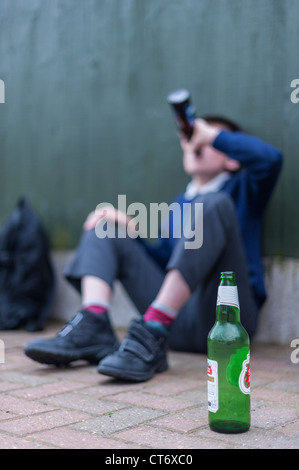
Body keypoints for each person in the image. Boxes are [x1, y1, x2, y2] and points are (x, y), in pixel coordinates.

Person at [24, 117, 283, 382]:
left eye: (208, 140)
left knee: (214, 203)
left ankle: (151, 327)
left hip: (228, 321)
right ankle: (94, 324)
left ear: (232, 159)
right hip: (173, 328)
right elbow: (165, 263)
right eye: (194, 139)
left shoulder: (243, 190)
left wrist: (213, 136)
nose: (198, 144)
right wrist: (131, 234)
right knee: (106, 225)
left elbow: (271, 160)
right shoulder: (178, 206)